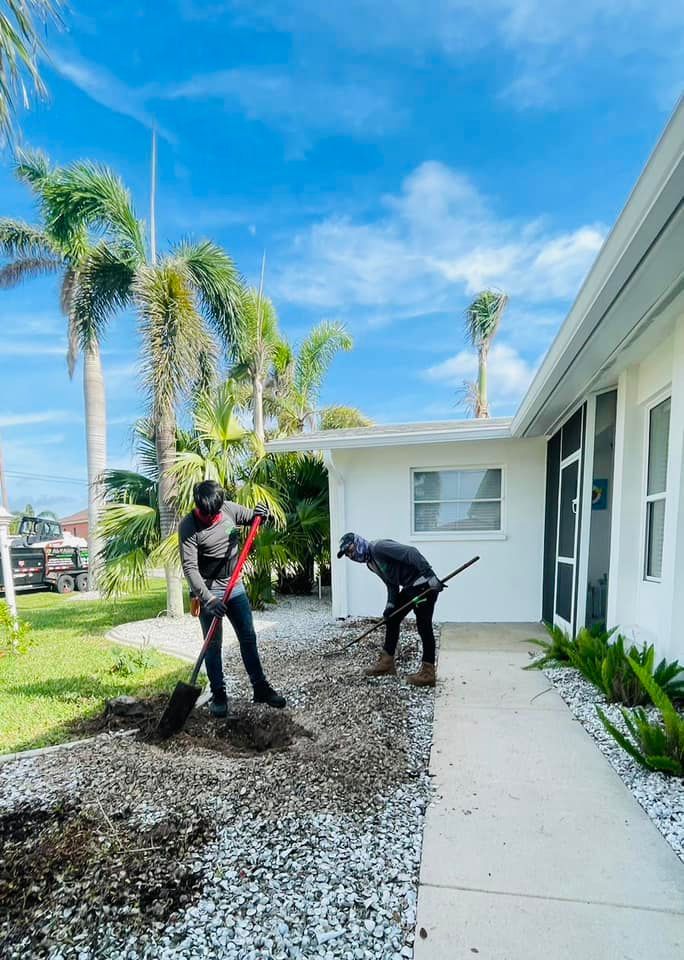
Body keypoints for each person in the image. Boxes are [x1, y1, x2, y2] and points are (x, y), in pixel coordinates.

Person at [179, 480, 286, 715]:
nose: (213, 517)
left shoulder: (226, 509)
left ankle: (260, 688)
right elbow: (190, 568)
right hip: (209, 591)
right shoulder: (188, 526)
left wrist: (260, 514)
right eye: (208, 514)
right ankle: (219, 695)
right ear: (199, 507)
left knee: (248, 637)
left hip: (234, 585)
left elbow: (251, 517)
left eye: (216, 513)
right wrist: (208, 599)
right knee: (213, 646)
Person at [337, 532, 444, 687]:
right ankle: (387, 664)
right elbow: (391, 583)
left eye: (351, 549)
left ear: (358, 542)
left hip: (424, 585)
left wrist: (430, 576)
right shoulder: (371, 563)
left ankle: (428, 673)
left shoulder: (378, 548)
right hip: (411, 588)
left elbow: (411, 552)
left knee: (424, 626)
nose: (351, 555)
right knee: (392, 617)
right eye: (347, 554)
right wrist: (390, 604)